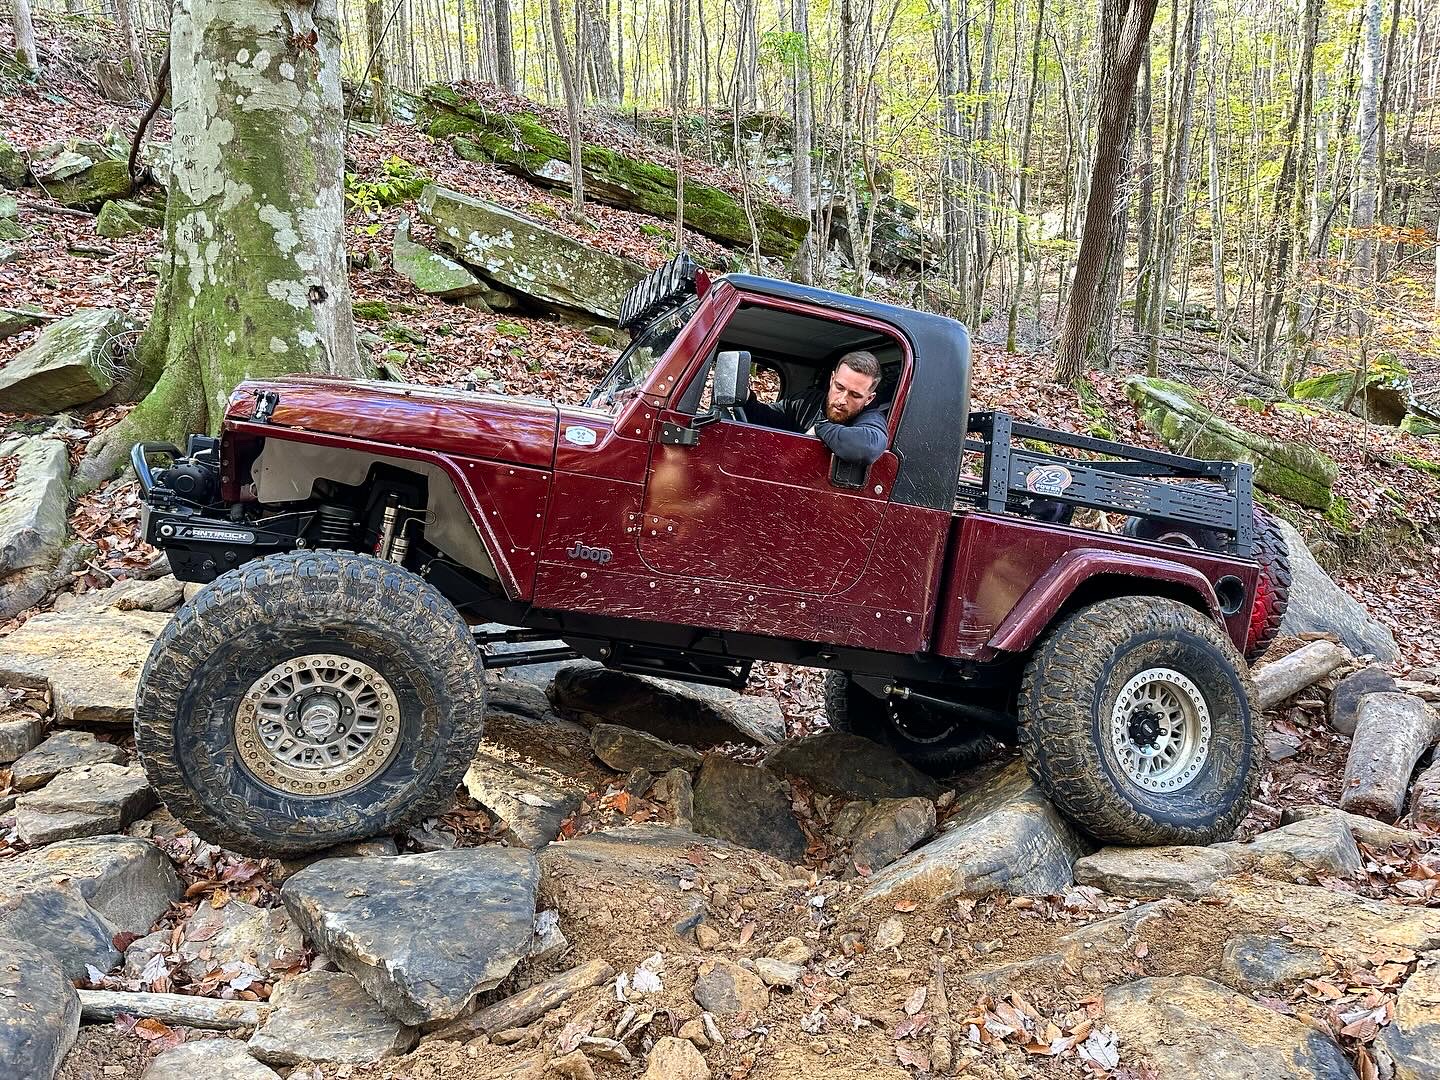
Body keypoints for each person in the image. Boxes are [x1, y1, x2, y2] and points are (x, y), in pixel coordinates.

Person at [742, 350, 889, 466]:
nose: (842, 400)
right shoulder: (807, 402)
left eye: (855, 395)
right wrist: (747, 399)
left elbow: (868, 448)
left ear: (869, 398)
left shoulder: (871, 418)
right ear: (832, 379)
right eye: (839, 387)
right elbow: (766, 418)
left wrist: (819, 428)